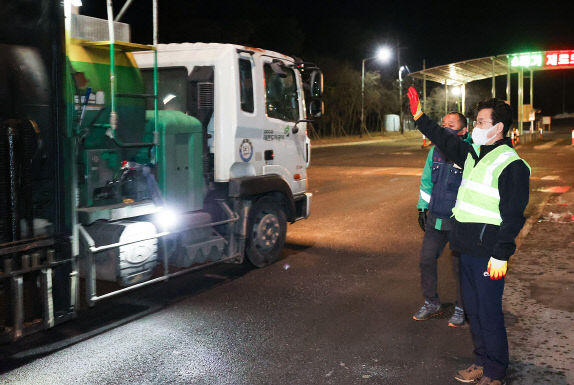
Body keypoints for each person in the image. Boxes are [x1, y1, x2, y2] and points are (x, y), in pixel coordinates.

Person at [407, 86, 530, 385]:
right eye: (475, 122)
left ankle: (495, 371)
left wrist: (502, 253)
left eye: (481, 123)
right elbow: (443, 138)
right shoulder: (473, 154)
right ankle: (481, 362)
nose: (475, 128)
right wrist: (420, 117)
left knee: (489, 314)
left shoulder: (512, 165)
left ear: (498, 127)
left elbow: (514, 216)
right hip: (466, 248)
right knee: (474, 312)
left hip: (490, 255)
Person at [414, 112, 470, 327]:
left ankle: (461, 307)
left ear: (463, 131)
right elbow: (427, 180)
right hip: (435, 218)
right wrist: (422, 207)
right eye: (443, 124)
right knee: (426, 260)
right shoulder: (434, 153)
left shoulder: (468, 153)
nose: (445, 127)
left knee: (459, 268)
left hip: (459, 221)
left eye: (451, 124)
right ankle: (431, 302)